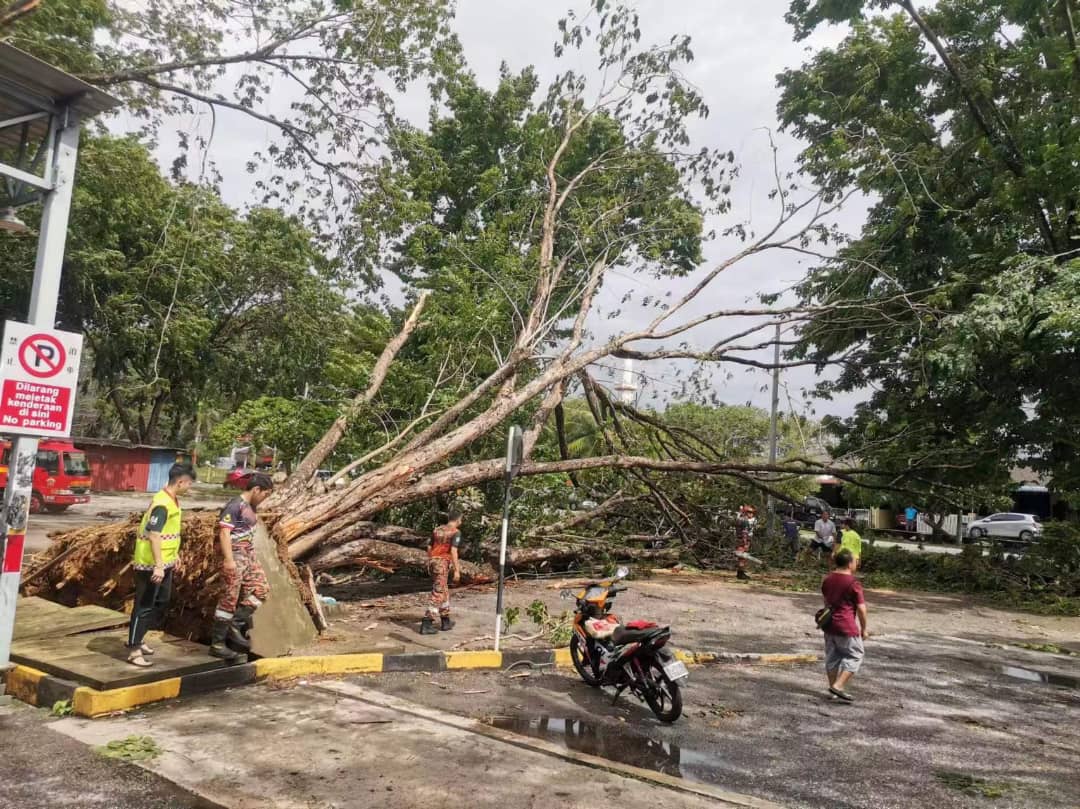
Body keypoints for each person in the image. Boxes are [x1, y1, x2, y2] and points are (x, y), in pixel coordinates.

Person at [126, 462, 196, 667]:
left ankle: (140, 637)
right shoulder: (162, 503)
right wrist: (158, 565)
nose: (189, 488)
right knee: (144, 605)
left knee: (161, 602)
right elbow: (154, 535)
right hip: (150, 563)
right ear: (181, 481)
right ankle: (133, 648)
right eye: (189, 484)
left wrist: (174, 556)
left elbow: (169, 534)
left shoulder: (172, 500)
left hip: (165, 561)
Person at [210, 472, 274, 660]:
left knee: (261, 590)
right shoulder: (235, 506)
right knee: (229, 598)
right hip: (236, 555)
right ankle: (217, 643)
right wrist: (229, 560)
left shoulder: (251, 507)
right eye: (265, 494)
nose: (264, 499)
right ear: (256, 489)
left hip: (249, 555)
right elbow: (224, 533)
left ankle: (235, 623)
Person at [821, 548, 868, 702]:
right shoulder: (853, 583)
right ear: (849, 564)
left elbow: (826, 601)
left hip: (829, 625)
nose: (856, 563)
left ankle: (832, 690)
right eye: (855, 561)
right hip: (846, 626)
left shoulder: (827, 579)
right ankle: (839, 685)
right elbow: (861, 609)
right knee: (855, 655)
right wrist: (864, 628)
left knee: (832, 657)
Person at [420, 509, 463, 635]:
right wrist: (457, 570)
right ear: (458, 520)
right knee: (438, 592)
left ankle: (445, 620)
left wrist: (431, 559)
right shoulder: (456, 532)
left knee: (443, 589)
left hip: (433, 561)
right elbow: (454, 551)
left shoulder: (437, 530)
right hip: (443, 563)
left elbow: (429, 546)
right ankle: (427, 622)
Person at [734, 505, 756, 581]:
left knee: (741, 557)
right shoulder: (745, 521)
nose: (751, 514)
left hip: (738, 540)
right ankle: (740, 574)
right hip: (743, 541)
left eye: (752, 512)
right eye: (750, 512)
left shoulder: (739, 519)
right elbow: (744, 533)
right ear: (746, 512)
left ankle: (740, 573)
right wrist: (745, 542)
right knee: (742, 558)